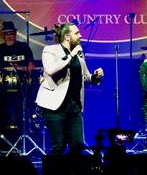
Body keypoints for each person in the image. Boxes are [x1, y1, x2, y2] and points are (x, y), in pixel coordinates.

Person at [35, 22, 104, 155]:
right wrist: (71, 55)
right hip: (55, 106)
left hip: (74, 106)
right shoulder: (50, 50)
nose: (81, 36)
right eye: (77, 33)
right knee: (58, 146)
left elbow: (86, 77)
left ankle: (71, 174)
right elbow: (50, 70)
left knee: (78, 145)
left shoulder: (79, 53)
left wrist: (95, 76)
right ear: (67, 37)